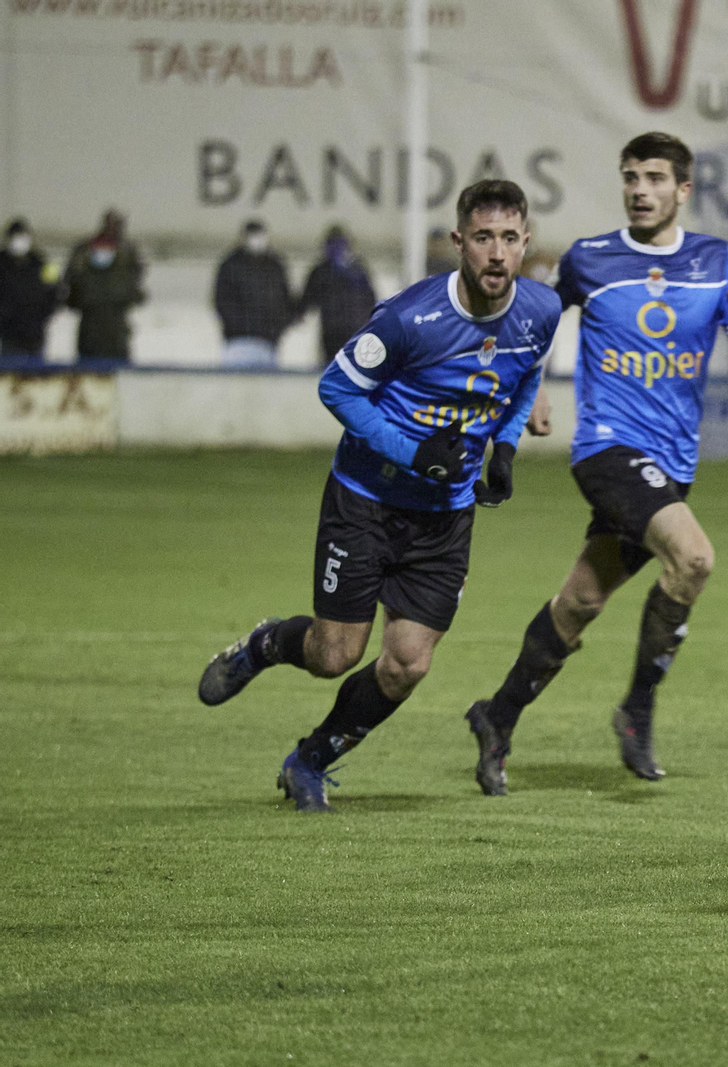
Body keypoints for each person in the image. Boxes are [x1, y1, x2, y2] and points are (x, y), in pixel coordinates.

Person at [195, 179, 562, 812]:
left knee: (407, 666)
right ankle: (266, 644)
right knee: (335, 655)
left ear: (526, 242)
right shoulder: (407, 317)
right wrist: (414, 452)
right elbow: (337, 389)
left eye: (508, 238)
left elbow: (524, 374)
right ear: (458, 243)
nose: (497, 254)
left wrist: (504, 449)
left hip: (445, 520)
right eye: (482, 239)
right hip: (365, 502)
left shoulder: (541, 310)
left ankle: (310, 760)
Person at [461, 132, 728, 794]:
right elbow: (529, 321)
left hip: (673, 463)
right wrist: (534, 386)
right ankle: (637, 707)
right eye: (631, 176)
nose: (640, 188)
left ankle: (496, 715)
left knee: (578, 601)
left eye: (656, 178)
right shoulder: (589, 258)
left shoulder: (716, 261)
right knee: (692, 558)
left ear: (683, 190)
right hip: (607, 448)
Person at [63, 210, 145, 362]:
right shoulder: (85, 252)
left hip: (115, 328)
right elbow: (72, 287)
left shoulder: (127, 254)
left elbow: (136, 288)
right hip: (91, 329)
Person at [213, 219, 295, 367]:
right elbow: (222, 301)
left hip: (268, 343)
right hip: (237, 342)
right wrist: (239, 326)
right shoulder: (230, 265)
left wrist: (276, 328)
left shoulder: (275, 266)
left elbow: (285, 300)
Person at [298, 226, 378, 365]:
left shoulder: (357, 270)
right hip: (337, 333)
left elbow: (370, 300)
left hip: (348, 332)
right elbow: (306, 302)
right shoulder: (323, 271)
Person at [0, 218, 60, 360]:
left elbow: (54, 291)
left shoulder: (40, 262)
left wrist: (44, 316)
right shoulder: (2, 262)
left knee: (34, 376)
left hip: (35, 331)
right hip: (9, 331)